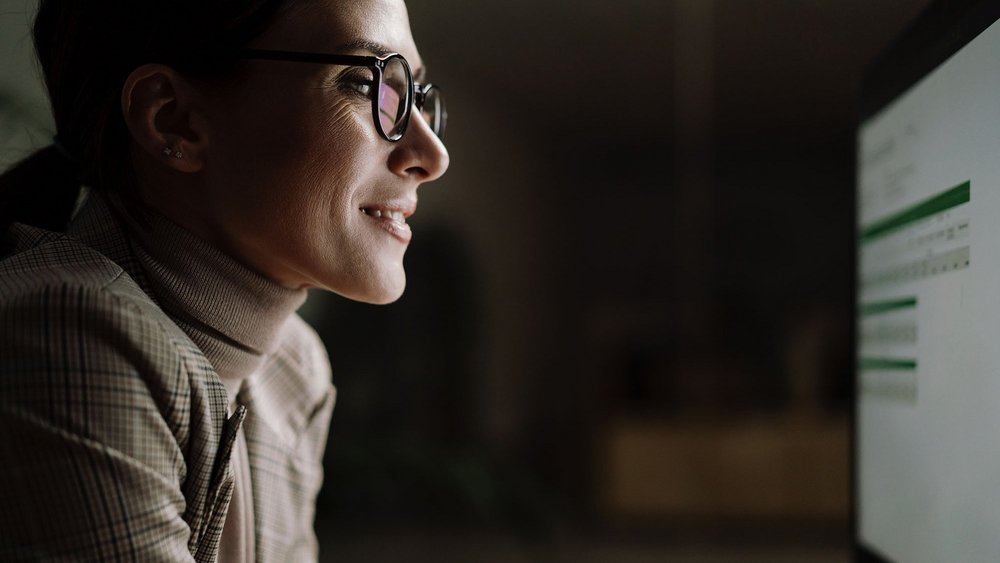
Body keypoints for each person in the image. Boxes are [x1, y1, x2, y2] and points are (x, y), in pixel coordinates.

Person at [0, 0, 449, 560]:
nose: (433, 155)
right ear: (174, 120)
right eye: (366, 84)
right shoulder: (67, 334)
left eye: (416, 96)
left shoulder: (293, 371)